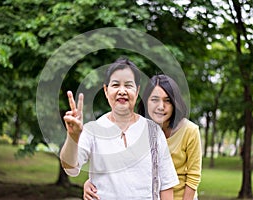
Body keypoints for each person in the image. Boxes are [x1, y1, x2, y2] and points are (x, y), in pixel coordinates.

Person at [60, 58, 179, 200]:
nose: (122, 91)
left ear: (137, 91)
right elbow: (70, 168)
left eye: (128, 85)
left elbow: (166, 185)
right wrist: (72, 136)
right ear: (106, 90)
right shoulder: (92, 130)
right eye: (115, 85)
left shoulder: (153, 132)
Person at [83, 74, 202, 200]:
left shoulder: (190, 130)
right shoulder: (138, 128)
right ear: (146, 101)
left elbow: (193, 177)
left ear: (174, 103)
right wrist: (90, 182)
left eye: (167, 101)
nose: (161, 106)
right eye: (155, 99)